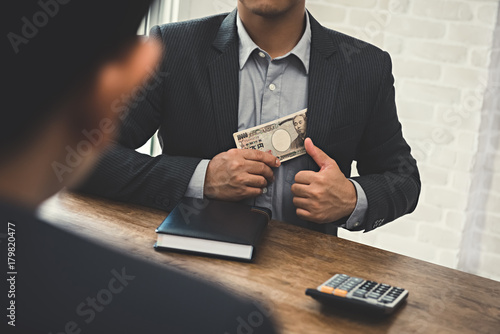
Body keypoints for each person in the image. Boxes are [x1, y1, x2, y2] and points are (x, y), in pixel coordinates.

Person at [1, 1, 278, 333]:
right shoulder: (220, 320)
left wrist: (356, 196)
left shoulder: (358, 63)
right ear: (126, 80)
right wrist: (201, 176)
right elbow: (99, 161)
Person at [78, 0, 421, 235]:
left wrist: (351, 197)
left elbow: (404, 179)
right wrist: (201, 178)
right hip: (188, 268)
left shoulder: (364, 67)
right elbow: (83, 157)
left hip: (307, 282)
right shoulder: (172, 49)